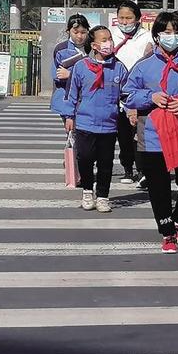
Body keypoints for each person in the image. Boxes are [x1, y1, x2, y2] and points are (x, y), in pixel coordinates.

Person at [123, 11, 178, 254]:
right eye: (167, 32)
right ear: (157, 36)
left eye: (177, 32)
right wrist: (150, 97)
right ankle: (168, 232)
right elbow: (127, 95)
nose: (173, 37)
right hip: (152, 136)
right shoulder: (143, 66)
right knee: (158, 188)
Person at [62, 25, 128, 214]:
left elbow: (127, 94)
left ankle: (103, 197)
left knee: (106, 163)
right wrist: (69, 116)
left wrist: (131, 111)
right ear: (94, 45)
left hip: (109, 125)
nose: (109, 43)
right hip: (85, 123)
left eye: (110, 39)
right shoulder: (81, 67)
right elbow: (71, 93)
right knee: (85, 159)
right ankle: (87, 192)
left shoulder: (119, 68)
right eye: (104, 40)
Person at [110, 3, 153, 186]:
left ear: (137, 19)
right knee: (124, 135)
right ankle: (127, 168)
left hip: (139, 92)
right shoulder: (111, 36)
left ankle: (143, 169)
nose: (125, 22)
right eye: (121, 18)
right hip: (117, 92)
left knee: (140, 134)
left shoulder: (147, 36)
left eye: (129, 18)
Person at [50, 14, 89, 119]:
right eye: (75, 32)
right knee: (71, 128)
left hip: (88, 99)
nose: (79, 36)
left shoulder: (92, 48)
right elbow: (57, 75)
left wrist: (71, 75)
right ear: (68, 31)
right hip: (67, 98)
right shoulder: (61, 49)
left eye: (83, 32)